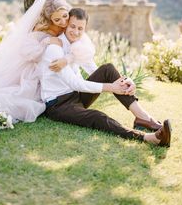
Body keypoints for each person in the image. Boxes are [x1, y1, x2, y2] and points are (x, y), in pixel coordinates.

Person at [38, 8, 171, 147]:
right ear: (66, 25)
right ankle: (149, 138)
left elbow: (96, 71)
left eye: (80, 28)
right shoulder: (55, 48)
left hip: (75, 96)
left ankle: (143, 118)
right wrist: (110, 87)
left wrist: (125, 81)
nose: (75, 32)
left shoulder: (78, 45)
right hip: (58, 105)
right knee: (97, 117)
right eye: (72, 26)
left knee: (108, 68)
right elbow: (74, 83)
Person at [0, 0, 90, 128]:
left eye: (65, 16)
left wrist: (68, 58)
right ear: (50, 19)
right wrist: (46, 42)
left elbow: (82, 46)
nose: (63, 22)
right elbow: (27, 52)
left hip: (53, 70)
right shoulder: (42, 29)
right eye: (57, 20)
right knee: (10, 95)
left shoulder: (72, 24)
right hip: (35, 69)